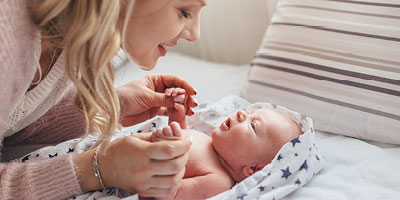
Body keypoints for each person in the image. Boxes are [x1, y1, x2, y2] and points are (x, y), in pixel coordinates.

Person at [0, 0, 209, 199]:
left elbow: (15, 121)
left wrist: (109, 107)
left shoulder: (78, 33)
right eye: (184, 12)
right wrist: (97, 169)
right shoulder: (6, 37)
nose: (195, 34)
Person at [150, 88, 303, 200]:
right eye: (249, 113)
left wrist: (166, 149)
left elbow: (170, 194)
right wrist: (177, 120)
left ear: (253, 169)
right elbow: (184, 141)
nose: (241, 113)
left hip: (133, 177)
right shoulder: (208, 141)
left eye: (253, 125)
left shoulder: (219, 181)